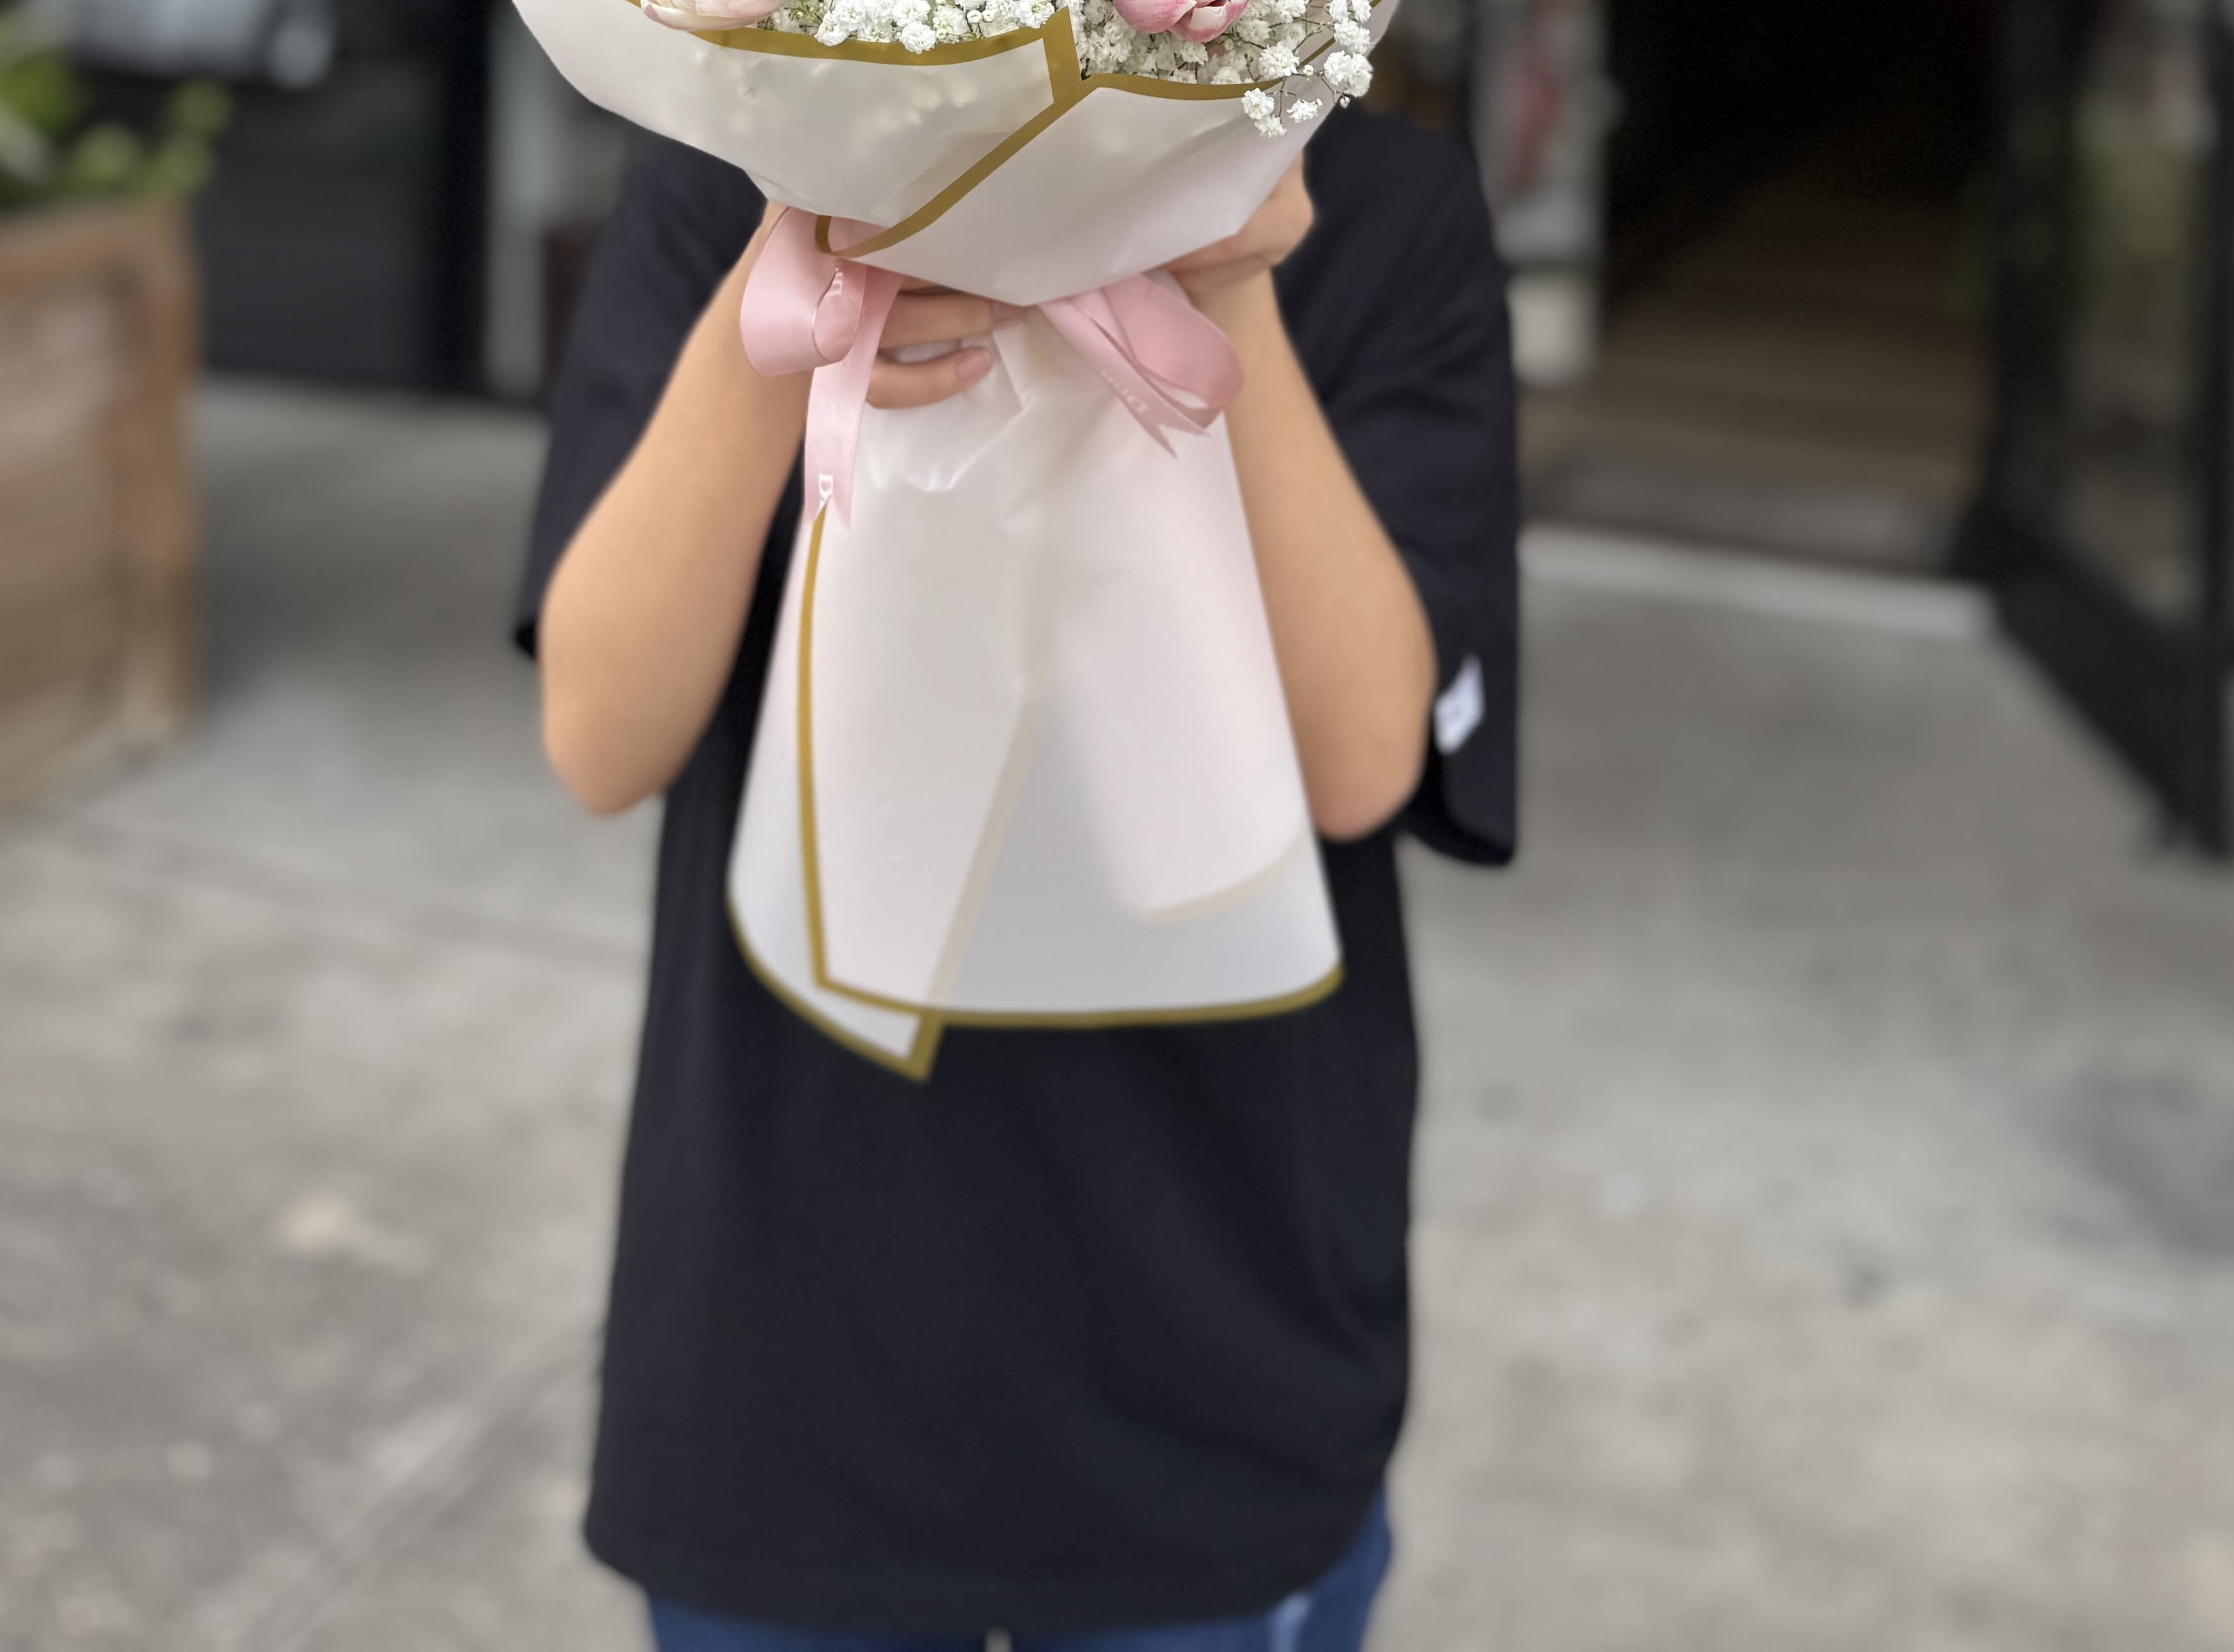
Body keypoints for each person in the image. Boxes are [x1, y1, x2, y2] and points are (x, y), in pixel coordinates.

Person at [519, 98, 1519, 1652]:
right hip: (790, 1323)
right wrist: (790, 291)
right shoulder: (731, 155)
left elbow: (1360, 760)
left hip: (1209, 1322)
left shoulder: (1375, 204)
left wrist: (1222, 271)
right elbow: (601, 735)